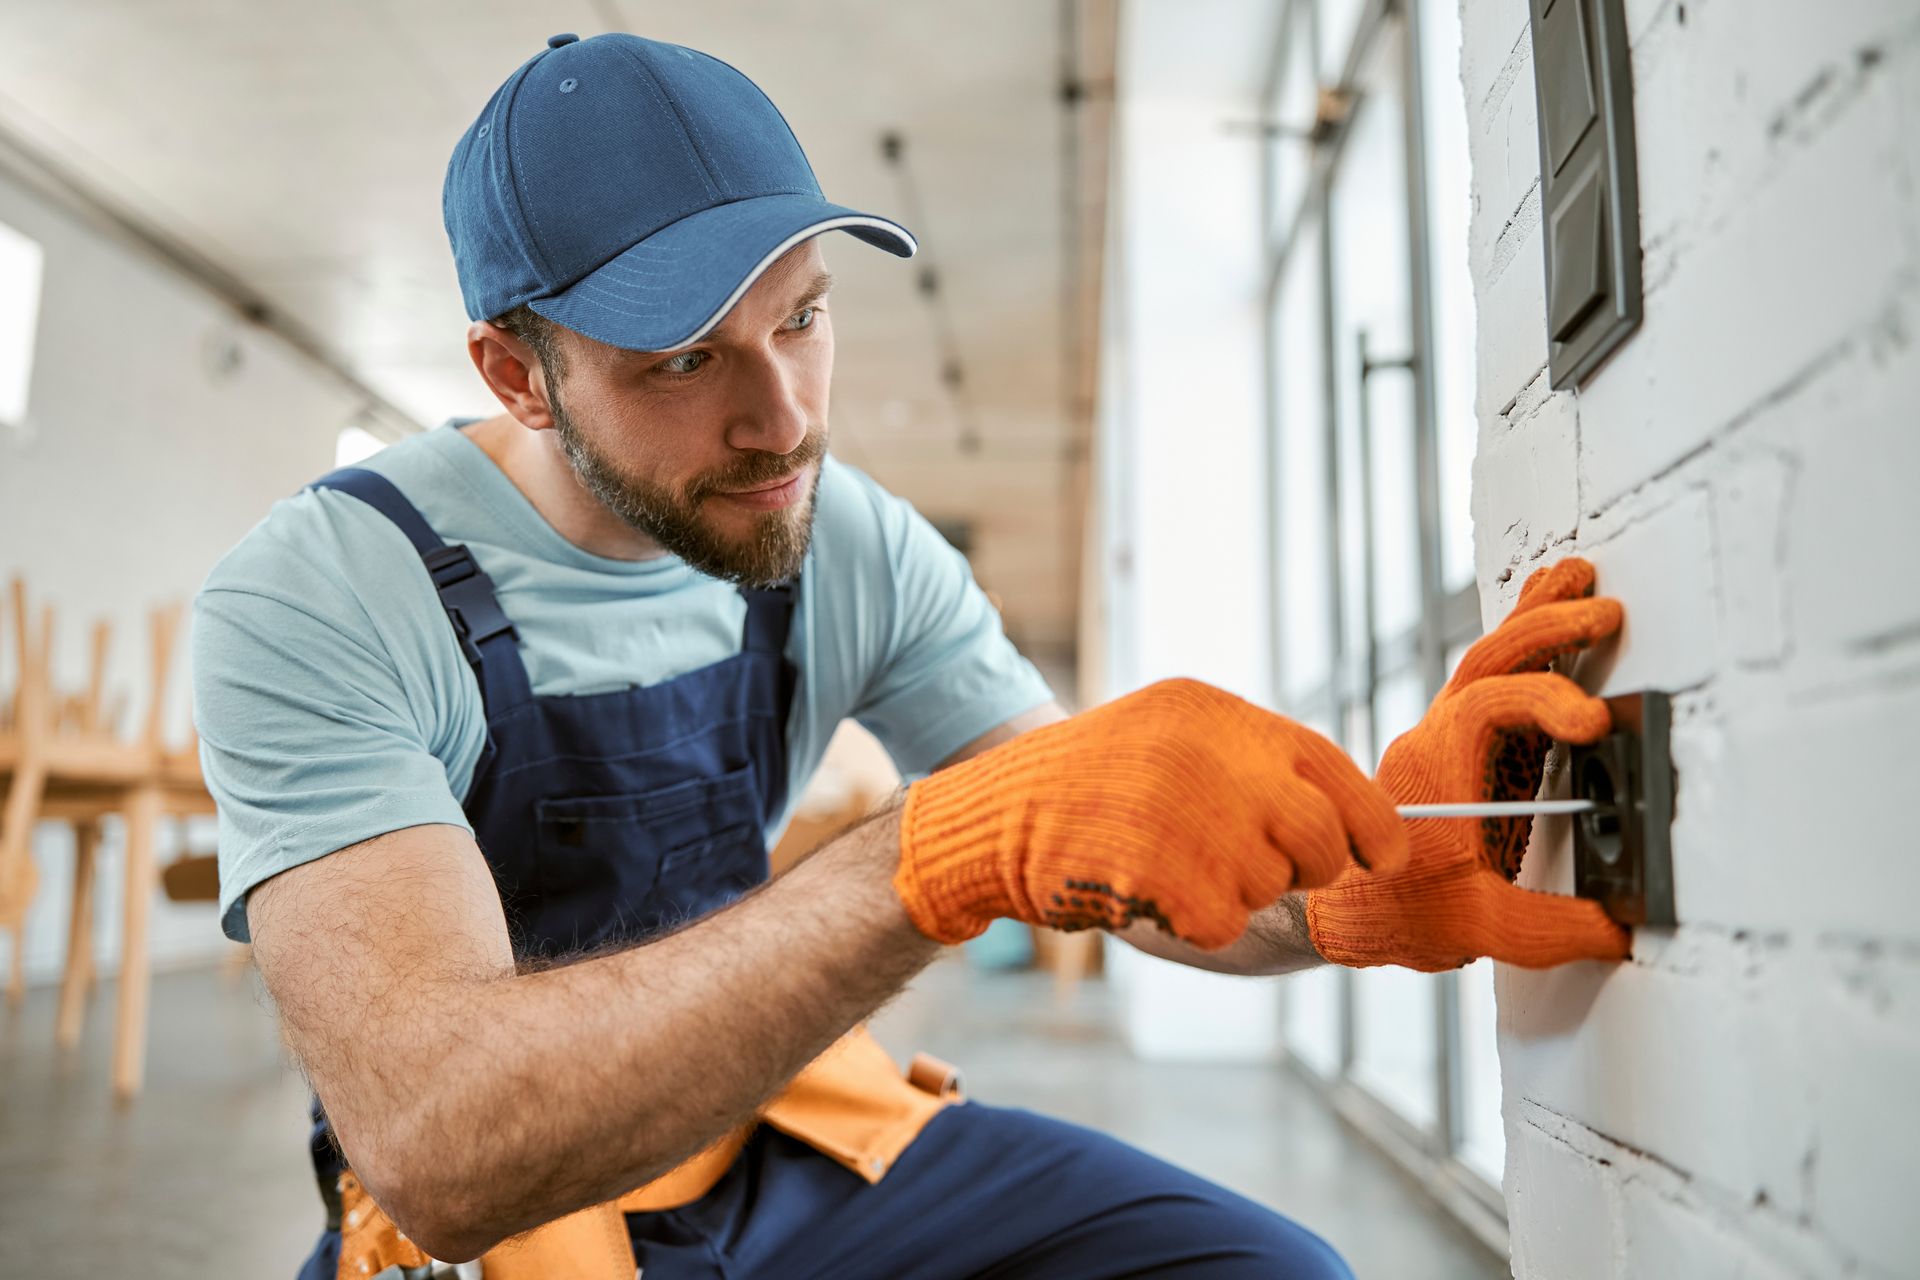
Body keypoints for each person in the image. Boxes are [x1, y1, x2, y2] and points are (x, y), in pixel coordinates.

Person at [193, 32, 1632, 1280]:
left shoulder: (842, 540)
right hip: (503, 1229)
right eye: (686, 361)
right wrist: (920, 861)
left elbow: (1112, 863)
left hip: (782, 1135)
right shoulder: (324, 595)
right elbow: (444, 1143)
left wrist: (1356, 888)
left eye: (802, 317)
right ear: (517, 372)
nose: (785, 420)